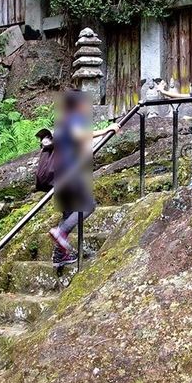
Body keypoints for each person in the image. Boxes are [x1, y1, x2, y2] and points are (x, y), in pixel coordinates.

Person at [47, 90, 120, 266]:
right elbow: (78, 134)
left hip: (58, 171)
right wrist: (106, 130)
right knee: (88, 205)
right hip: (71, 169)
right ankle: (61, 232)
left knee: (69, 211)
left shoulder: (61, 120)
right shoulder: (75, 117)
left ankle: (60, 256)